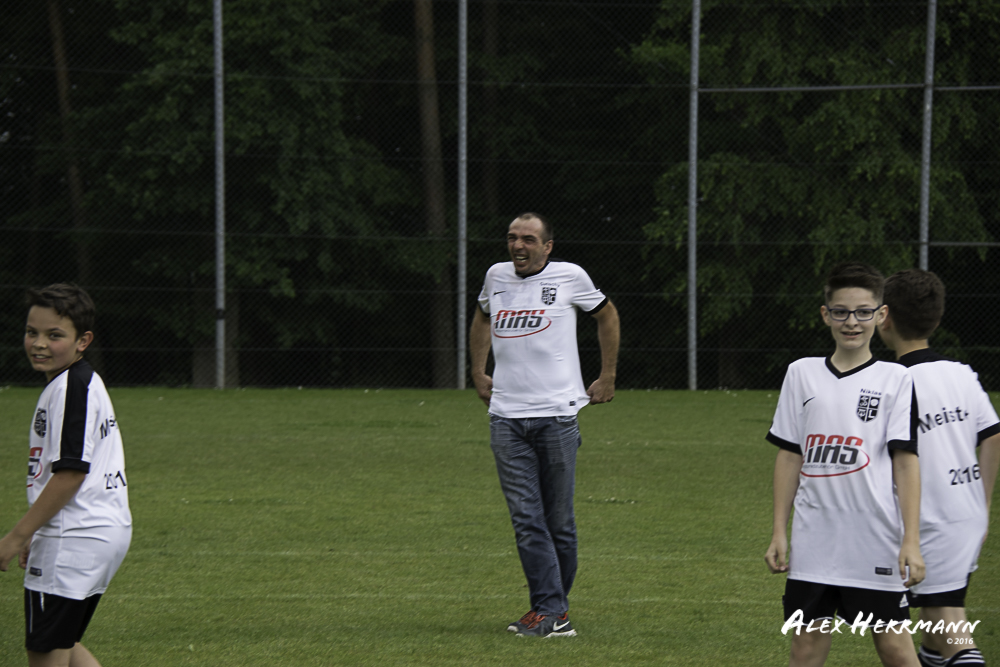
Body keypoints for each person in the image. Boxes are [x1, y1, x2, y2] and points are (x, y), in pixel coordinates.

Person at [764, 262, 924, 667]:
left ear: (881, 315)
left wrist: (910, 539)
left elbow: (906, 463)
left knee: (896, 649)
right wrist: (779, 531)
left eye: (863, 312)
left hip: (874, 538)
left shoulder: (896, 379)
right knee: (805, 648)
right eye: (841, 311)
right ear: (826, 314)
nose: (852, 322)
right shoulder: (801, 374)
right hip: (814, 541)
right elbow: (790, 455)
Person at [469, 212, 619, 638]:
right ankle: (553, 611)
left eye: (529, 239)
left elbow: (607, 316)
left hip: (556, 415)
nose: (518, 245)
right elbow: (482, 317)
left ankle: (551, 609)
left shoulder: (570, 276)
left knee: (559, 523)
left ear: (547, 246)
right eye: (513, 237)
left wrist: (607, 375)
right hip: (506, 417)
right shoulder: (495, 276)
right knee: (526, 517)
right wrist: (478, 371)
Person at [0, 284, 132, 667]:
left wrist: (16, 536)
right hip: (96, 531)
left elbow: (70, 474)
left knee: (45, 651)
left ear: (82, 341)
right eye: (32, 332)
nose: (39, 343)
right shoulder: (78, 381)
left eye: (54, 335)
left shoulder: (71, 387)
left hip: (74, 536)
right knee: (64, 642)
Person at [878, 269, 1000, 667]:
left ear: (885, 317)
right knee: (934, 630)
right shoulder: (960, 373)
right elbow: (993, 436)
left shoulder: (893, 382)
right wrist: (983, 505)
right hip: (966, 516)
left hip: (929, 521)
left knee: (950, 629)